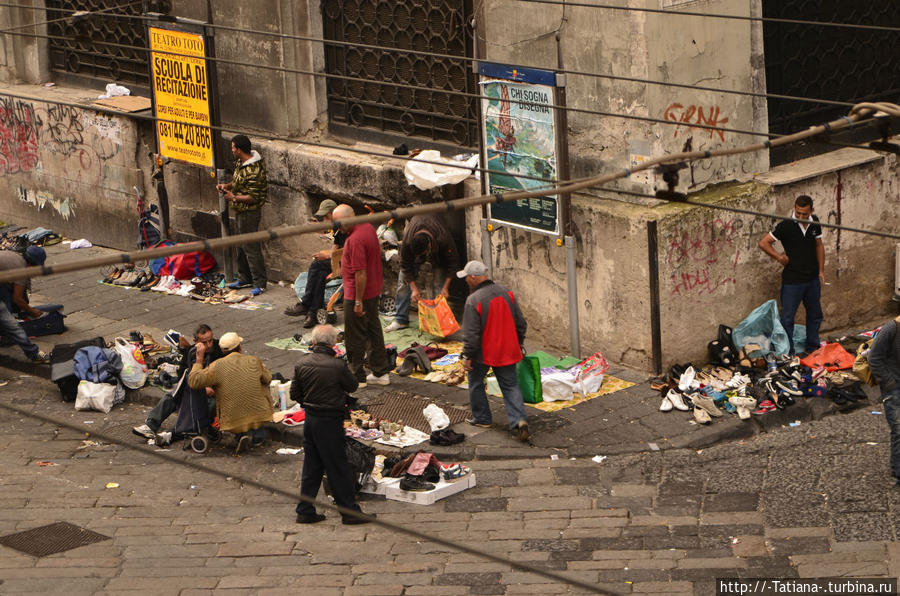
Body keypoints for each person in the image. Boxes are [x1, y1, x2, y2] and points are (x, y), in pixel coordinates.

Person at [290, 324, 375, 525]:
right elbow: (353, 385)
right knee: (337, 466)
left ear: (313, 342)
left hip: (311, 419)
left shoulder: (302, 363)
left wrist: (310, 404)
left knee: (312, 466)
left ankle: (305, 509)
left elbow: (295, 394)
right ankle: (349, 512)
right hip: (329, 420)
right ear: (333, 343)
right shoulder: (337, 366)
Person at [458, 260, 529, 442]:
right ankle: (519, 420)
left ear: (473, 278)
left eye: (466, 277)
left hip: (484, 352)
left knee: (475, 382)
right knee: (510, 385)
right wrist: (519, 342)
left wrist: (467, 356)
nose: (465, 280)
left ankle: (482, 418)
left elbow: (472, 335)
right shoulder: (507, 293)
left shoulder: (473, 300)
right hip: (507, 349)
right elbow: (520, 323)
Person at [132, 324, 223, 443]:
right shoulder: (191, 352)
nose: (209, 345)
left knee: (206, 408)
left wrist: (211, 388)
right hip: (196, 389)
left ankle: (171, 433)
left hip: (213, 394)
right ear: (196, 341)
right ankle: (150, 425)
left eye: (210, 340)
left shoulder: (219, 350)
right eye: (205, 342)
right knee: (172, 396)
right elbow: (183, 376)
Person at [758, 194, 824, 356]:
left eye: (805, 214)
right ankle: (789, 352)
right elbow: (764, 242)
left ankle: (813, 347)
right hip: (793, 281)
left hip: (812, 279)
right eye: (798, 213)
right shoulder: (785, 226)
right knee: (787, 319)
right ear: (794, 209)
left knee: (815, 315)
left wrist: (821, 270)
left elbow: (819, 246)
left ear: (811, 211)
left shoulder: (814, 222)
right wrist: (779, 257)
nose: (801, 216)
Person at [332, 204, 391, 387]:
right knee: (373, 330)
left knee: (355, 335)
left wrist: (357, 301)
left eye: (339, 224)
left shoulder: (355, 239)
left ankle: (357, 375)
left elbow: (360, 273)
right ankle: (380, 371)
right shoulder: (367, 227)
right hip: (372, 290)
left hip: (358, 293)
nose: (338, 228)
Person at [187, 332, 273, 453]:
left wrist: (199, 360)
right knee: (260, 385)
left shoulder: (216, 366)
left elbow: (194, 381)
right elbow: (268, 378)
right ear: (240, 347)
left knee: (233, 403)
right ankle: (256, 435)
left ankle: (241, 435)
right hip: (259, 414)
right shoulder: (254, 361)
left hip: (232, 419)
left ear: (222, 351)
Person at [384, 214, 460, 333]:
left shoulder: (443, 237)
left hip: (438, 252)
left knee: (439, 290)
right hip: (416, 249)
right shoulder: (408, 241)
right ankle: (400, 320)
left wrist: (446, 287)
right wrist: (414, 289)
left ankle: (439, 323)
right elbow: (405, 266)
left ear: (429, 245)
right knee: (403, 283)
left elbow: (453, 263)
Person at [216, 134, 268, 296]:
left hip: (249, 213)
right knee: (240, 245)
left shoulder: (254, 170)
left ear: (239, 149)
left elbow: (255, 197)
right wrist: (227, 185)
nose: (232, 150)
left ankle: (260, 282)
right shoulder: (241, 162)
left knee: (251, 247)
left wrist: (234, 197)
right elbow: (238, 181)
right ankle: (245, 277)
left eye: (233, 147)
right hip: (239, 210)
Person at [284, 199, 347, 329]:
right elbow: (336, 245)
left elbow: (349, 249)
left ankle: (306, 304)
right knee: (320, 272)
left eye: (325, 217)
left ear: (331, 214)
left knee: (316, 266)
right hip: (339, 259)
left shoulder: (345, 225)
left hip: (349, 261)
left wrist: (329, 255)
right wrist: (329, 255)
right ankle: (313, 312)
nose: (324, 220)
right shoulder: (336, 226)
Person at [866, 316, 900, 486]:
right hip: (894, 388)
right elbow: (874, 359)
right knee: (898, 430)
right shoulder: (891, 329)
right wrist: (890, 383)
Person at [0, 246, 48, 363]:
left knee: (7, 307)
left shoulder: (16, 258)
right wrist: (32, 311)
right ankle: (33, 354)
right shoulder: (22, 270)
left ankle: (4, 336)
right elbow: (18, 299)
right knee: (12, 325)